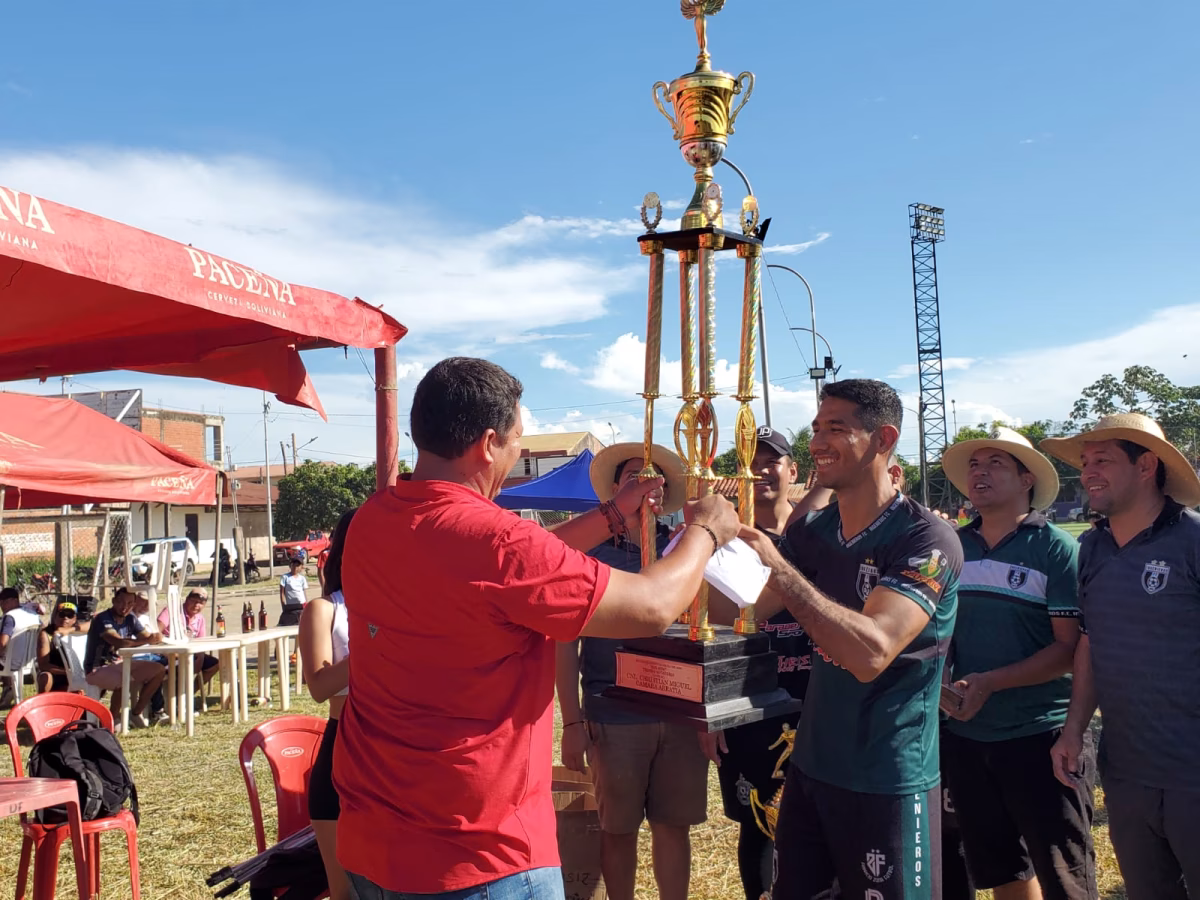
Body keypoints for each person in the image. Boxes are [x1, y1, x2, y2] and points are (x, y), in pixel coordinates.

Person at [334, 357, 740, 900]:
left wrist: (614, 515)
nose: (519, 451)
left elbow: (514, 573)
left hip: (374, 842)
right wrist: (706, 533)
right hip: (478, 857)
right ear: (487, 443)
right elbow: (650, 605)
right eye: (516, 440)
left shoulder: (373, 518)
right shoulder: (497, 542)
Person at [738, 379, 962, 900]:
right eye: (816, 428)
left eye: (836, 429)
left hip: (887, 776)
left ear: (884, 439)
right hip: (814, 767)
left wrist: (780, 569)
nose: (817, 442)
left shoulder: (925, 538)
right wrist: (699, 544)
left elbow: (871, 652)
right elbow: (741, 611)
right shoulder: (814, 531)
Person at [1044, 414, 1200, 900]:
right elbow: (1091, 642)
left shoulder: (1193, 541)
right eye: (1085, 462)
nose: (1088, 471)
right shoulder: (1090, 548)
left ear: (1147, 465)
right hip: (1127, 772)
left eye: (1103, 460)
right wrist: (1073, 730)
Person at [939, 427, 1096, 900]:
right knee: (1002, 870)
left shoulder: (1054, 548)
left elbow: (1068, 650)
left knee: (1063, 877)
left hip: (1039, 735)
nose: (979, 473)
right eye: (974, 465)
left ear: (1027, 479)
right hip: (967, 736)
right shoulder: (951, 546)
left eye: (995, 464)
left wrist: (991, 682)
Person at [556, 443, 706, 900]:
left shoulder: (682, 550)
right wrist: (574, 722)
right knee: (617, 831)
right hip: (613, 713)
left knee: (673, 826)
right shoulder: (589, 552)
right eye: (632, 480)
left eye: (652, 481)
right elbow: (565, 640)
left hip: (679, 712)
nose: (643, 489)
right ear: (617, 489)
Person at [705, 425, 816, 900]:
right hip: (749, 707)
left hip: (816, 701)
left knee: (818, 827)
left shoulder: (822, 532)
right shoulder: (725, 539)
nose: (761, 470)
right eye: (750, 462)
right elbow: (709, 628)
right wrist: (710, 713)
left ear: (793, 470)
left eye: (772, 460)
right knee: (757, 825)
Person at [300, 508, 358, 900]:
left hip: (396, 750)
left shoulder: (406, 605)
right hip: (344, 747)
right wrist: (378, 648)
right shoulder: (326, 609)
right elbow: (319, 685)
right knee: (347, 891)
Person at [83, 587, 167, 728]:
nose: (125, 607)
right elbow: (119, 642)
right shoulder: (102, 619)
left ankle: (136, 713)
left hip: (121, 664)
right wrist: (148, 640)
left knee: (159, 669)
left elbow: (146, 636)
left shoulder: (131, 619)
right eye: (121, 602)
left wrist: (155, 638)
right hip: (96, 668)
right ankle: (112, 719)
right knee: (124, 679)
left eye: (129, 604)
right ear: (114, 601)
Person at [157, 589, 220, 688]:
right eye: (194, 600)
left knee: (215, 664)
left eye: (200, 603)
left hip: (190, 654)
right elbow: (156, 632)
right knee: (186, 663)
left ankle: (188, 693)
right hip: (169, 654)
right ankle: (178, 695)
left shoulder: (200, 619)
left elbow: (201, 643)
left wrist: (200, 659)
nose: (196, 605)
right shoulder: (172, 611)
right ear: (187, 599)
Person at [1, 586, 43, 705]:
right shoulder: (32, 613)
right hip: (29, 661)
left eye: (4, 602)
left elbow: (2, 643)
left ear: (14, 600)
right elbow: (43, 628)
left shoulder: (10, 617)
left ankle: (8, 689)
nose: (2, 606)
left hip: (11, 663)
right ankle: (8, 689)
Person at [36, 600, 88, 693]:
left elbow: (93, 624)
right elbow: (43, 665)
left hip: (77, 674)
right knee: (46, 677)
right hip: (56, 673)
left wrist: (70, 630)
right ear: (55, 616)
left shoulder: (77, 631)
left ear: (75, 618)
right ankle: (44, 704)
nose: (65, 618)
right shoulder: (46, 634)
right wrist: (66, 671)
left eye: (70, 615)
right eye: (62, 614)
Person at [278, 557, 309, 626]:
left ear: (301, 567)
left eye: (297, 565)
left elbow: (304, 593)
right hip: (291, 607)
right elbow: (282, 593)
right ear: (290, 566)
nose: (295, 567)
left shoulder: (302, 578)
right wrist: (283, 606)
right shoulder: (285, 577)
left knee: (302, 626)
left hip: (301, 605)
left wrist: (306, 605)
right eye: (293, 565)